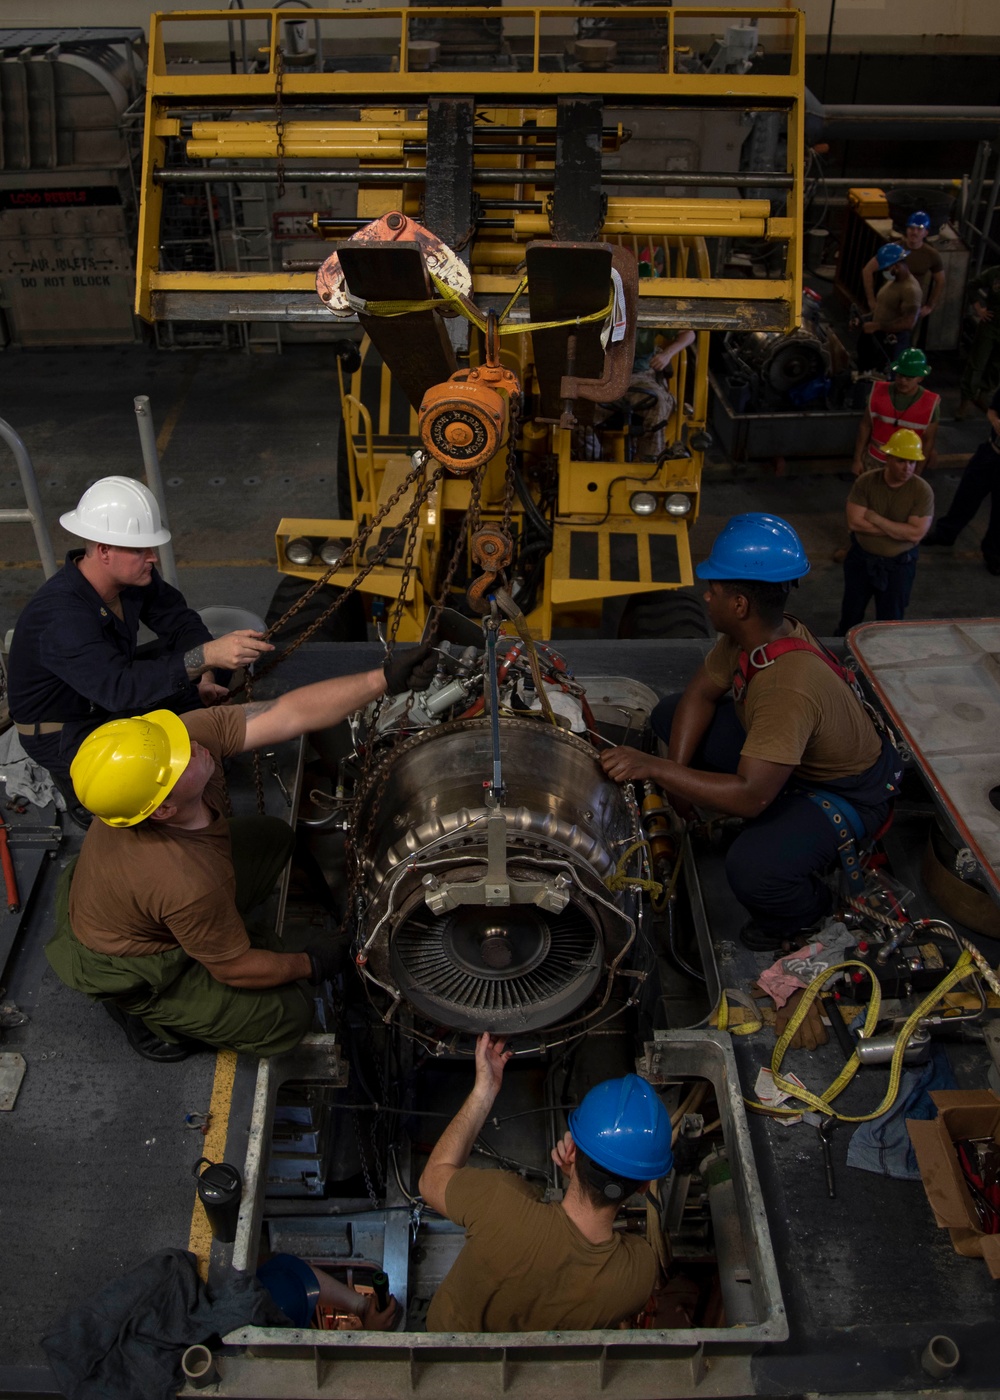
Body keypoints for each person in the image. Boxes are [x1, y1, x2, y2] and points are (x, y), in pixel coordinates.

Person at [43, 642, 437, 1062]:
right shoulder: (183, 880)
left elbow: (287, 713)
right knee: (287, 1016)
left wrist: (384, 680)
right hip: (127, 963)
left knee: (273, 839)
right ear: (164, 809)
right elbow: (233, 968)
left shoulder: (173, 750)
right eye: (181, 760)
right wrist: (311, 963)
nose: (192, 746)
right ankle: (148, 1015)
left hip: (133, 901)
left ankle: (204, 942)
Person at [599, 514, 902, 950]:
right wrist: (678, 776)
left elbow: (750, 797)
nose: (706, 597)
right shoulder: (756, 637)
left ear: (740, 604)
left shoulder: (785, 686)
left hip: (845, 792)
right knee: (669, 714)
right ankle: (774, 813)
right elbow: (698, 698)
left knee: (753, 868)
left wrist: (656, 770)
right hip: (792, 760)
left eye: (715, 590)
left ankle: (804, 911)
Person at [7, 476, 274, 814]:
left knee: (210, 669)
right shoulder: (61, 617)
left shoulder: (132, 578)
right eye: (140, 550)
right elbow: (118, 689)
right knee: (155, 783)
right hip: (66, 729)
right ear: (104, 551)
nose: (153, 558)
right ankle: (84, 796)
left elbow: (180, 621)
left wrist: (206, 672)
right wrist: (205, 655)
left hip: (105, 691)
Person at [420, 1034, 672, 1332]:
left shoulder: (503, 1204)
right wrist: (579, 1178)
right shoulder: (637, 1276)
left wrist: (484, 1090)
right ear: (644, 1186)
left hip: (443, 1364)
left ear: (574, 1151)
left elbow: (431, 1179)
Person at [838, 428, 934, 632]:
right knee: (851, 614)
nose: (907, 468)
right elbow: (855, 523)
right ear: (888, 458)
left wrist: (875, 518)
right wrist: (900, 531)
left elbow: (916, 534)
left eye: (912, 462)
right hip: (861, 561)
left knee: (891, 620)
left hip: (899, 566)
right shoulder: (866, 482)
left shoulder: (922, 491)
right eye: (901, 461)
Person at [923, 386, 1000, 574]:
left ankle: (994, 553)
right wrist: (998, 424)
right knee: (966, 496)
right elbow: (992, 411)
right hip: (991, 453)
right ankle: (946, 533)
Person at [851, 348, 940, 478]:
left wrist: (917, 472)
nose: (903, 381)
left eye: (909, 378)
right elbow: (865, 426)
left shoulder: (930, 404)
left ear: (920, 378)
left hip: (905, 468)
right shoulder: (877, 392)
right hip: (875, 461)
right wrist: (857, 460)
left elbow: (928, 441)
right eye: (899, 375)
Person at [862, 212, 945, 336]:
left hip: (910, 305)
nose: (914, 232)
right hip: (889, 303)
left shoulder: (932, 255)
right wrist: (871, 301)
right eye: (911, 228)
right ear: (906, 229)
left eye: (919, 229)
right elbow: (867, 270)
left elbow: (940, 280)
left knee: (904, 338)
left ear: (926, 232)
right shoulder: (894, 250)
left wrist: (929, 306)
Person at [856, 244, 922, 374]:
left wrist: (878, 326)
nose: (884, 272)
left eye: (886, 268)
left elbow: (908, 323)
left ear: (896, 266)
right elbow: (885, 307)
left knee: (883, 377)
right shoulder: (893, 281)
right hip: (879, 336)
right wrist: (865, 319)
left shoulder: (910, 290)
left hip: (892, 343)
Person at [957, 265, 1000, 418]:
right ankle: (966, 400)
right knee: (977, 363)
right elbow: (972, 286)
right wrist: (979, 309)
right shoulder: (994, 272)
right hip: (990, 324)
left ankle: (983, 395)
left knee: (997, 366)